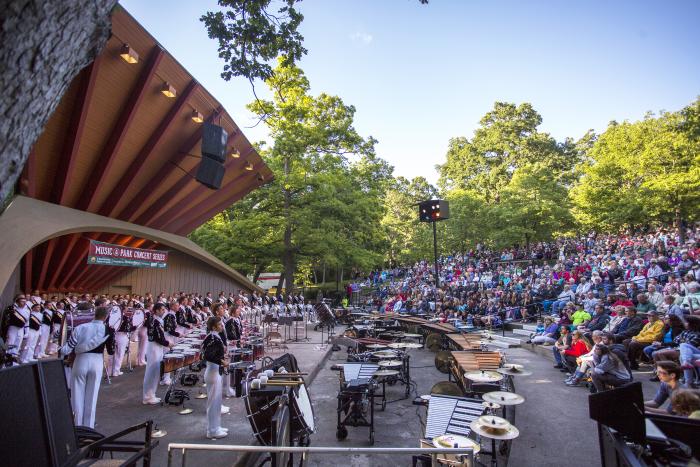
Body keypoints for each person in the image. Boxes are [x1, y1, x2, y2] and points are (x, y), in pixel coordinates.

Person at [60, 305, 115, 428]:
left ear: (94, 314)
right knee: (92, 397)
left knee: (76, 395)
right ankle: (89, 427)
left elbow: (66, 350)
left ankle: (76, 426)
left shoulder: (80, 328)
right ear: (105, 317)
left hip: (81, 360)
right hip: (96, 362)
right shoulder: (109, 330)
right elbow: (111, 351)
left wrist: (58, 346)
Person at [202, 316, 229, 439]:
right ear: (213, 327)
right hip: (212, 372)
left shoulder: (213, 336)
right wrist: (221, 361)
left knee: (217, 402)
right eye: (219, 324)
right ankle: (212, 430)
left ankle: (216, 426)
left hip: (215, 371)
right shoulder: (212, 338)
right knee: (213, 404)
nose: (222, 325)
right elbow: (207, 355)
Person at [143, 303, 172, 404]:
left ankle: (151, 394)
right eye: (162, 309)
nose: (164, 311)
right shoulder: (155, 321)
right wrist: (168, 344)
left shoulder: (157, 321)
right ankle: (148, 396)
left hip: (156, 347)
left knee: (155, 371)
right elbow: (158, 337)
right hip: (154, 347)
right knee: (152, 372)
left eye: (164, 309)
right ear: (156, 311)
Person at [4, 294, 30, 359]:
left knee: (18, 343)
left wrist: (26, 332)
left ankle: (13, 359)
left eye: (25, 302)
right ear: (17, 302)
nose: (24, 303)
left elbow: (27, 322)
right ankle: (6, 360)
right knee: (10, 342)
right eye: (22, 301)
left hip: (21, 329)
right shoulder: (13, 309)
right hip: (13, 328)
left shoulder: (27, 311)